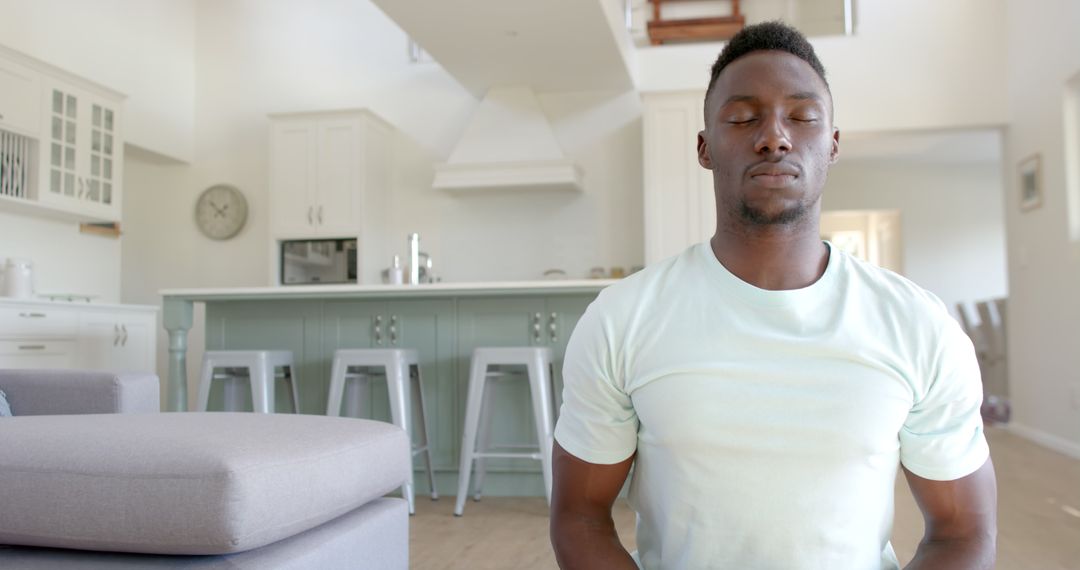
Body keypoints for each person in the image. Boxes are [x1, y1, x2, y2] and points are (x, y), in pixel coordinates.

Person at [549, 21, 997, 570]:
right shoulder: (622, 318)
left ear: (832, 145)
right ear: (704, 147)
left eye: (802, 117)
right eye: (742, 118)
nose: (774, 137)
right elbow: (579, 516)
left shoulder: (917, 324)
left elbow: (962, 532)